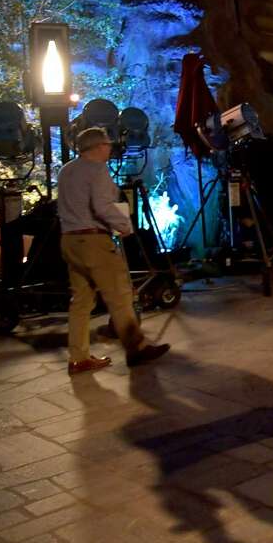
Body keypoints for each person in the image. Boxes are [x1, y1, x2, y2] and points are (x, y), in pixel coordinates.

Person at [58, 127, 170, 374]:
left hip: (70, 240)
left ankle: (78, 357)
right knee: (120, 295)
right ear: (98, 147)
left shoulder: (66, 170)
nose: (110, 148)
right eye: (107, 144)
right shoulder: (96, 169)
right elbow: (101, 206)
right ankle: (137, 348)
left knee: (81, 301)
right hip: (94, 242)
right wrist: (124, 226)